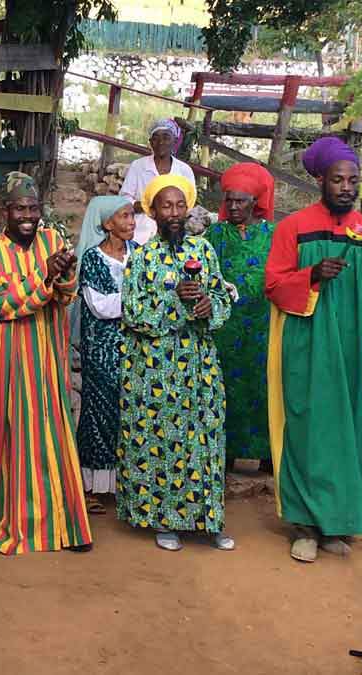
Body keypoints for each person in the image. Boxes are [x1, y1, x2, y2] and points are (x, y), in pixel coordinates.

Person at [265, 136, 362, 564]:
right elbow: (273, 285)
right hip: (305, 344)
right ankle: (303, 525)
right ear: (320, 180)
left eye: (352, 180)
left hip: (353, 349)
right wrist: (312, 275)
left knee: (348, 433)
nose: (345, 187)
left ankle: (336, 523)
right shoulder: (293, 228)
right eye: (337, 179)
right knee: (305, 429)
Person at [0, 171, 93, 554]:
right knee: (5, 440)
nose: (28, 215)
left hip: (46, 358)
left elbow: (69, 296)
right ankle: (1, 525)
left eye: (34, 208)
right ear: (6, 211)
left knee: (51, 436)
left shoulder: (54, 240)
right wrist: (45, 277)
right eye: (20, 208)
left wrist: (65, 273)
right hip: (6, 358)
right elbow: (1, 306)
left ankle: (63, 526)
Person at [117, 174, 235, 552]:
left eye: (179, 205)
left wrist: (207, 306)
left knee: (206, 439)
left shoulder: (203, 251)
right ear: (152, 211)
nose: (173, 212)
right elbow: (134, 312)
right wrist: (176, 304)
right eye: (165, 206)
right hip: (155, 369)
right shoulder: (142, 257)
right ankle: (164, 520)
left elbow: (222, 296)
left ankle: (208, 520)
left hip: (199, 367)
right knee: (161, 440)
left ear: (188, 208)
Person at [204, 163, 277, 474]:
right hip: (225, 325)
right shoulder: (215, 234)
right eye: (229, 200)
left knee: (264, 383)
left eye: (241, 201)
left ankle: (267, 455)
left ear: (254, 203)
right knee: (225, 385)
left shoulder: (273, 234)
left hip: (262, 322)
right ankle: (226, 453)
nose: (233, 206)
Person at [71, 195, 136, 513]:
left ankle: (122, 482)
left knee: (129, 411)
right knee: (98, 412)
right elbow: (101, 306)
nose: (131, 222)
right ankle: (91, 485)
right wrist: (139, 303)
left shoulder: (138, 254)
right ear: (107, 223)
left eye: (132, 216)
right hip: (101, 349)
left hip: (134, 348)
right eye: (124, 216)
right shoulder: (93, 259)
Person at [120, 119, 199, 245]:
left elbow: (189, 203)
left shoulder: (184, 170)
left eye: (166, 137)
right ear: (150, 143)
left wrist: (168, 209)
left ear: (175, 141)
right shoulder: (138, 166)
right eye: (155, 138)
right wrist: (148, 206)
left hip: (173, 234)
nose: (160, 142)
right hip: (139, 235)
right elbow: (124, 199)